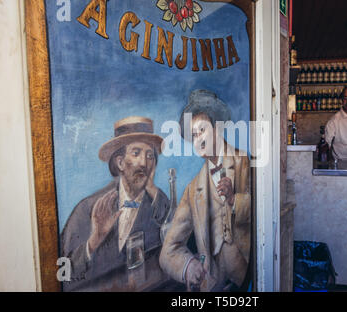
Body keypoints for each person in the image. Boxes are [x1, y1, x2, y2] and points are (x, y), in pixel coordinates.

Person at [61, 116, 172, 291]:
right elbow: (63, 274)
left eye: (149, 155)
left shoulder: (159, 205)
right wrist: (95, 239)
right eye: (136, 153)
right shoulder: (88, 209)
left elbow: (175, 248)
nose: (144, 163)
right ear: (120, 162)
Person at [159, 89, 251, 292]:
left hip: (249, 276)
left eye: (202, 129)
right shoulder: (192, 190)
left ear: (216, 129)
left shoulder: (243, 161)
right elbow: (168, 251)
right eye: (193, 135)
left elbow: (262, 211)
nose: (198, 138)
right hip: (214, 285)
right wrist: (188, 266)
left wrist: (234, 200)